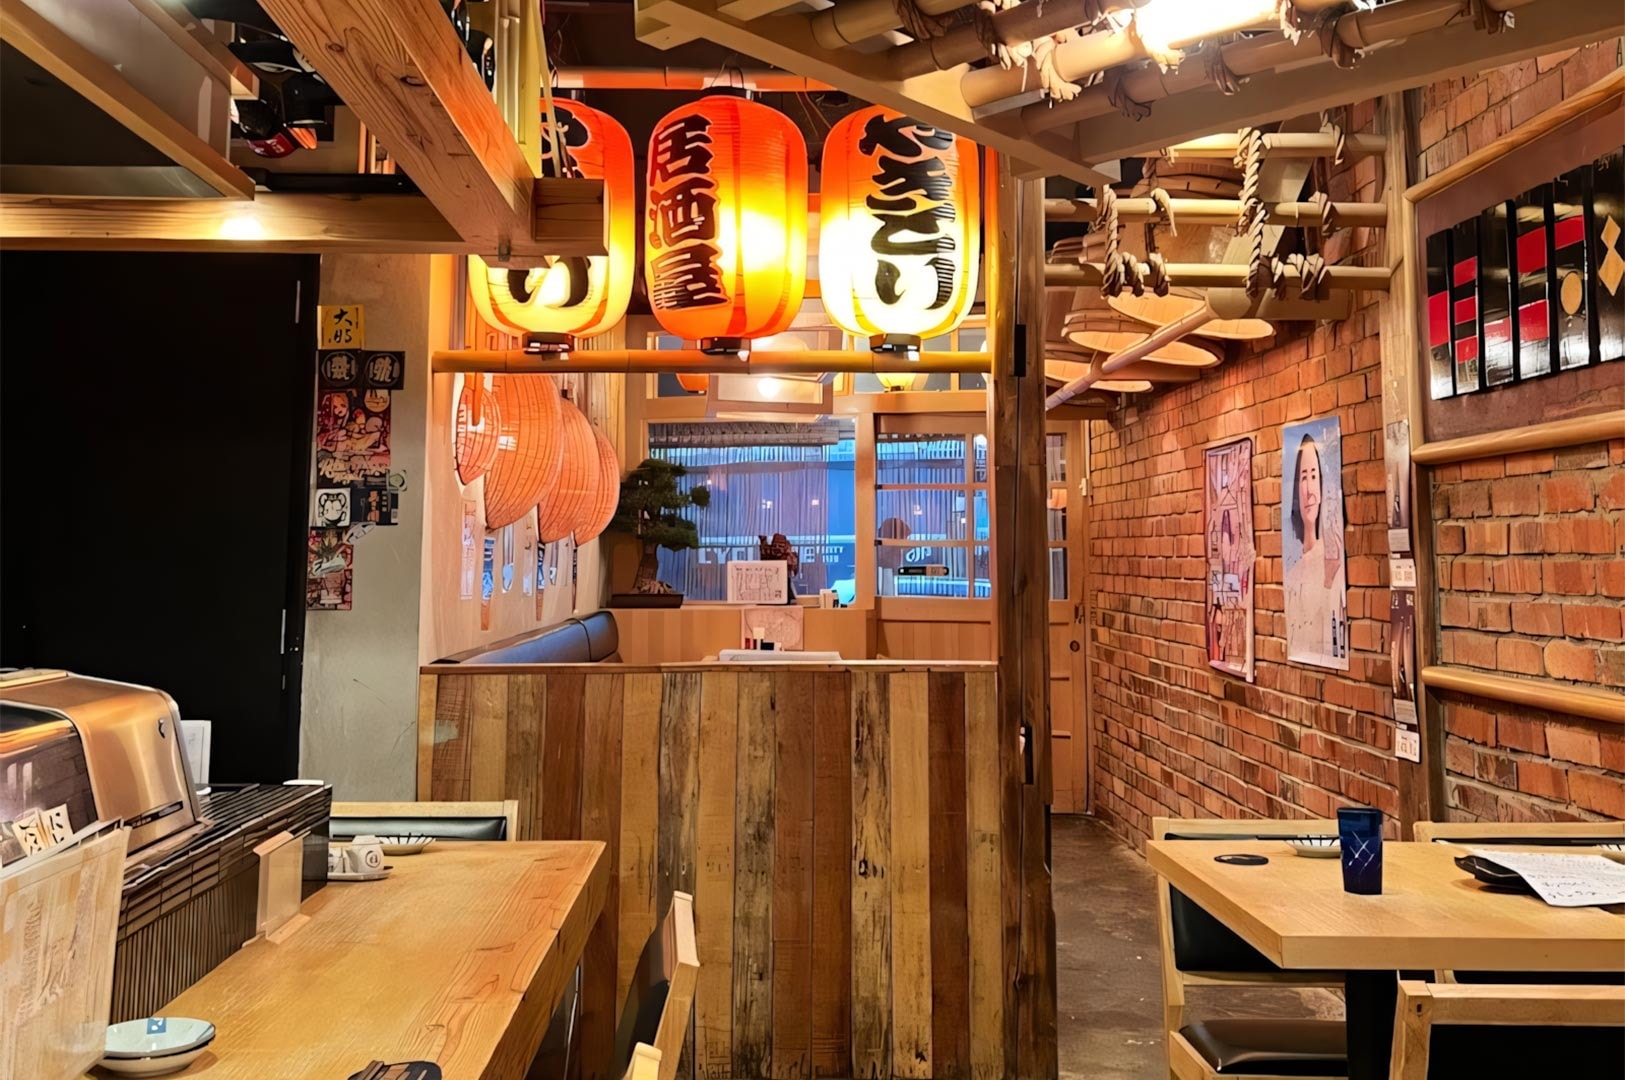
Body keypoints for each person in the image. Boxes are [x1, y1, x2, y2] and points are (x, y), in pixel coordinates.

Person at [1284, 433, 1347, 664]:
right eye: (1303, 477)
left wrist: (1328, 581)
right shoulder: (1292, 574)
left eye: (1313, 476)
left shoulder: (1333, 561)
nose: (1309, 489)